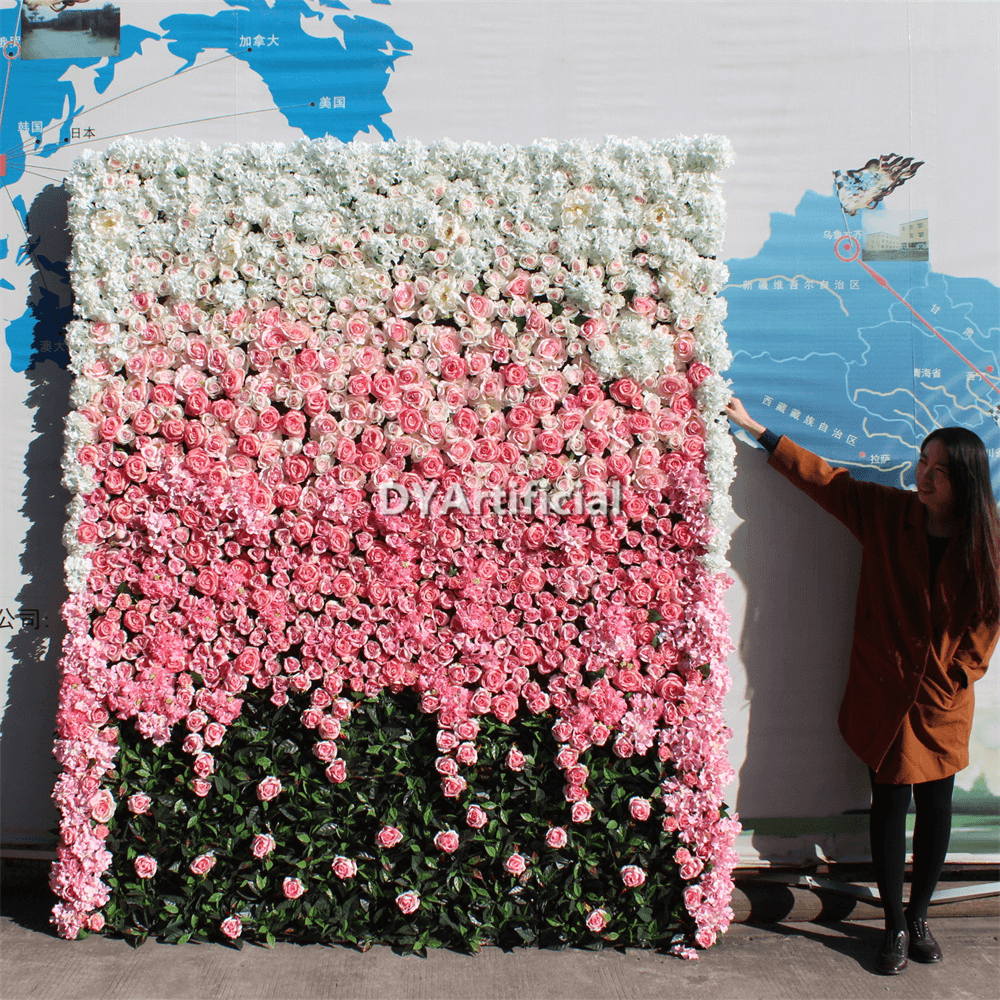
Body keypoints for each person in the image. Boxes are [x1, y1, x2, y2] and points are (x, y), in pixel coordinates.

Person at [725, 396, 1000, 975]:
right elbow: (830, 483)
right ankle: (895, 926)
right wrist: (758, 430)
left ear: (966, 480)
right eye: (923, 461)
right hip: (882, 693)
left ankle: (920, 915)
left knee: (936, 808)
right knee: (888, 804)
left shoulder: (986, 544)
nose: (925, 475)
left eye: (941, 469)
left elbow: (984, 630)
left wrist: (952, 679)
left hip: (942, 705)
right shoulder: (887, 513)